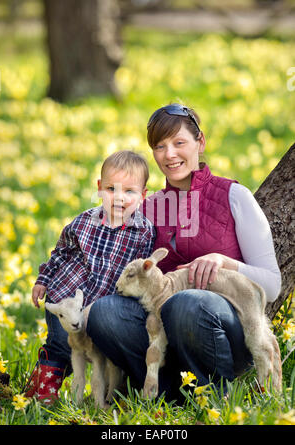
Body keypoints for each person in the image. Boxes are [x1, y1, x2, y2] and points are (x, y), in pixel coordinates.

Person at [86, 103, 281, 400]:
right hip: (161, 332)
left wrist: (225, 261)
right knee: (105, 312)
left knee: (186, 303)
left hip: (222, 330)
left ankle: (213, 392)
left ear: (200, 143)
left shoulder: (233, 196)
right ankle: (165, 391)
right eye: (160, 146)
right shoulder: (146, 207)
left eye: (179, 143)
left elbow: (272, 284)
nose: (169, 155)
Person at [24, 150, 155, 403]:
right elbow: (61, 252)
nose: (119, 198)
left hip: (101, 306)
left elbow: (140, 275)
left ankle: (105, 395)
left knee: (96, 351)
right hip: (66, 296)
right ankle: (40, 395)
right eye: (111, 189)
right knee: (62, 344)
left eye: (129, 191)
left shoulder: (144, 233)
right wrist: (43, 279)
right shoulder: (84, 222)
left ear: (143, 195)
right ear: (98, 188)